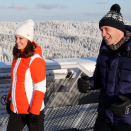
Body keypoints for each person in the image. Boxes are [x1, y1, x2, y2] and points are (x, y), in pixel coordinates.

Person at [78, 4, 131, 131]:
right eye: (101, 30)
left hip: (127, 122)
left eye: (106, 29)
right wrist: (88, 83)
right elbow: (99, 78)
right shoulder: (104, 50)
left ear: (119, 29)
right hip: (104, 117)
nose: (103, 34)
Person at [5, 19, 46, 131]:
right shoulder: (17, 57)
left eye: (21, 38)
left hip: (32, 110)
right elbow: (15, 81)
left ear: (28, 39)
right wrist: (9, 99)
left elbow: (40, 87)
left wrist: (35, 112)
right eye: (16, 38)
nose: (17, 41)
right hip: (17, 110)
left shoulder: (35, 60)